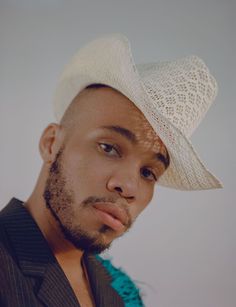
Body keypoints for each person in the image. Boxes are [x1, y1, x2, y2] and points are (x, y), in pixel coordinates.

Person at [0, 34, 222, 307]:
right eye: (109, 148)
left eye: (148, 173)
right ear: (51, 144)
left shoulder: (120, 292)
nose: (129, 187)